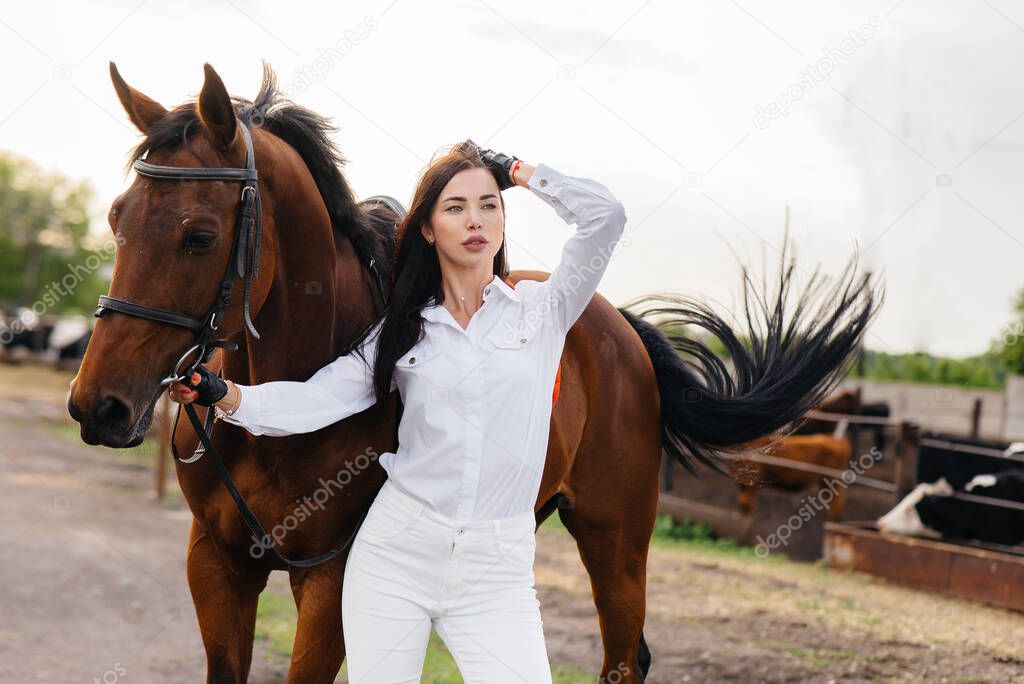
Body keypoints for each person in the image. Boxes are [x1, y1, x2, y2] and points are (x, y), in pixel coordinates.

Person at [168, 140, 627, 683]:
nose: (475, 219)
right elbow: (316, 399)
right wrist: (224, 394)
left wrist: (518, 171)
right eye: (454, 207)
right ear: (428, 230)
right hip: (395, 557)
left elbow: (605, 217)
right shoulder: (401, 332)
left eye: (489, 205)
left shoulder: (545, 310)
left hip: (496, 569)